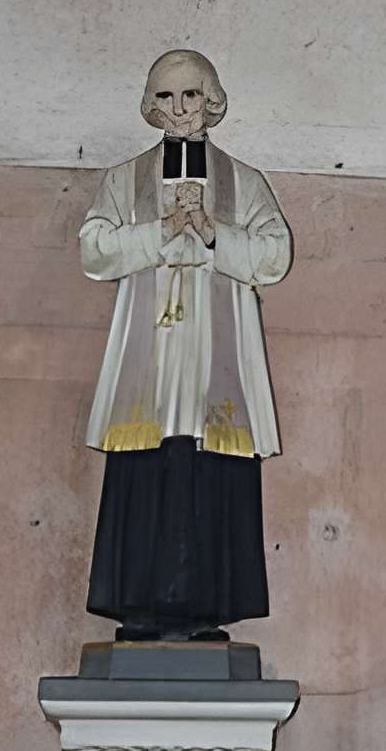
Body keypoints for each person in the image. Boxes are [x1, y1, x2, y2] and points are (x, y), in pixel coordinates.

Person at [80, 48, 291, 641]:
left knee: (211, 463)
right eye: (166, 97)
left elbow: (274, 256)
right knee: (146, 463)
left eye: (191, 95)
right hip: (148, 349)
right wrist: (162, 230)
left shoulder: (245, 183)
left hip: (215, 343)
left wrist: (213, 232)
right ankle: (138, 603)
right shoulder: (123, 180)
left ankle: (206, 608)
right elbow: (94, 250)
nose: (179, 109)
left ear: (212, 100)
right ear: (151, 105)